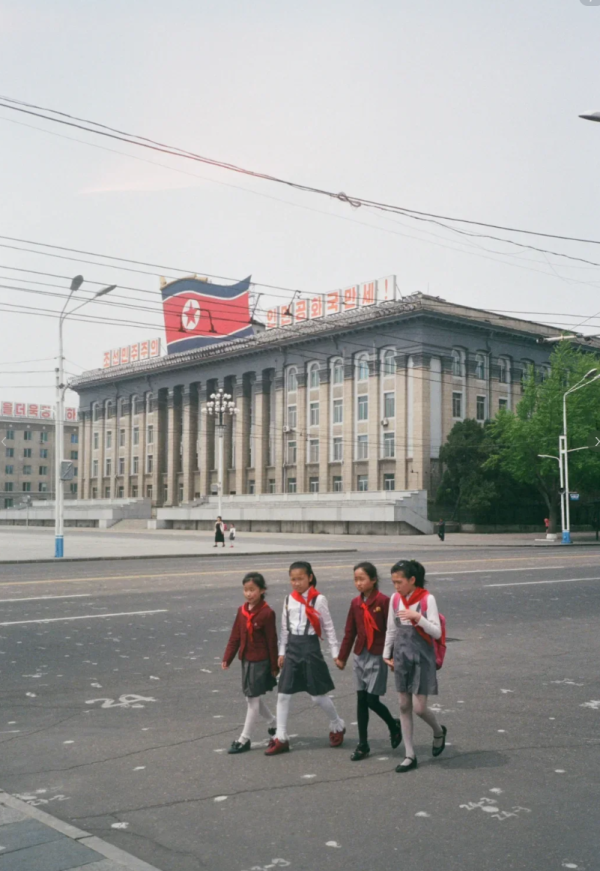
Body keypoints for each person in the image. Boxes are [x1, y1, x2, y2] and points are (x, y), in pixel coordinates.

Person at [265, 560, 345, 755]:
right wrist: (281, 652)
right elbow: (284, 628)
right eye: (293, 579)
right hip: (292, 648)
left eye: (300, 579)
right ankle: (281, 737)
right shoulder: (288, 599)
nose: (296, 583)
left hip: (310, 648)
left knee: (317, 697)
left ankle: (337, 723)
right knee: (283, 694)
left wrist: (336, 653)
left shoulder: (319, 599)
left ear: (310, 578)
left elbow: (328, 627)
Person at [383, 558, 446, 773]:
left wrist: (417, 617)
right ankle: (409, 755)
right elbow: (391, 629)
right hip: (401, 655)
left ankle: (438, 731)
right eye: (393, 582)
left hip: (422, 656)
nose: (396, 586)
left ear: (412, 580)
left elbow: (437, 632)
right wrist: (386, 653)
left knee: (419, 708)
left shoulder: (427, 599)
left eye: (399, 582)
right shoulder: (394, 599)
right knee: (403, 705)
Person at [335, 561, 401, 761]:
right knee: (361, 700)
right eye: (356, 579)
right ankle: (363, 744)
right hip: (360, 655)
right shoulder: (356, 603)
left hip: (378, 654)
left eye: (362, 579)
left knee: (372, 699)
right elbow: (350, 631)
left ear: (373, 580)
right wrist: (342, 657)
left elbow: (393, 631)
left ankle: (393, 724)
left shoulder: (383, 601)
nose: (358, 583)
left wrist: (392, 657)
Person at [222, 572, 278, 753]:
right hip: (246, 658)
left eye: (252, 590)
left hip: (260, 661)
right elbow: (235, 636)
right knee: (250, 696)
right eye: (246, 590)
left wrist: (274, 666)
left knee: (252, 699)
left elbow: (272, 641)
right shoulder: (242, 610)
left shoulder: (267, 613)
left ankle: (244, 739)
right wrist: (227, 657)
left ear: (262, 590)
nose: (248, 594)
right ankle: (273, 722)